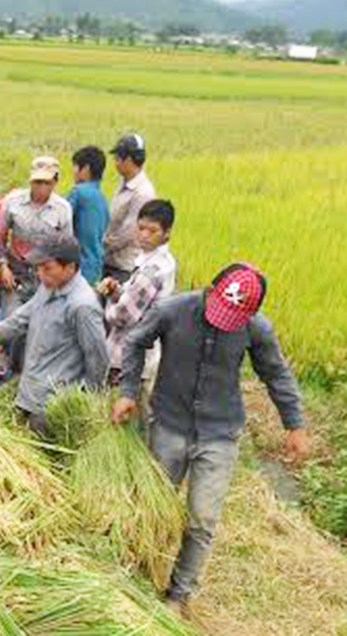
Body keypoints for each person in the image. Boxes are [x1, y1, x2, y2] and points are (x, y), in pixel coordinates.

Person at [112, 263, 311, 614]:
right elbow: (135, 341)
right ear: (210, 290)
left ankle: (178, 595)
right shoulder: (172, 310)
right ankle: (137, 575)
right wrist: (128, 391)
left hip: (219, 433)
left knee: (202, 519)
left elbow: (276, 373)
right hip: (170, 423)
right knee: (154, 506)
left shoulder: (255, 328)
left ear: (250, 313)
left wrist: (294, 424)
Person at [0, 237, 108, 436]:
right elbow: (18, 321)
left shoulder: (82, 306)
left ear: (70, 267)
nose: (40, 274)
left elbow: (98, 358)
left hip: (52, 406)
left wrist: (84, 401)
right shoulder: (48, 287)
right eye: (38, 268)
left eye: (47, 268)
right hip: (29, 393)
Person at [98, 199, 178, 388]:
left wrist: (108, 303)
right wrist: (117, 291)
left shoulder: (151, 272)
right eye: (141, 228)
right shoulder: (164, 261)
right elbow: (135, 298)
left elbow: (122, 316)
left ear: (166, 233)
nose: (144, 235)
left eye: (152, 231)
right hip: (143, 353)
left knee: (120, 402)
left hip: (127, 357)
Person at [0, 156, 74, 322]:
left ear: (55, 182)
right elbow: (0, 235)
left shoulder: (62, 209)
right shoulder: (12, 202)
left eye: (46, 183)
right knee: (11, 321)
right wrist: (2, 265)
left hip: (45, 275)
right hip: (16, 272)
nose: (41, 187)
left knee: (41, 324)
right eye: (37, 182)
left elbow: (66, 247)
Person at [104, 133, 156, 282]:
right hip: (110, 261)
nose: (115, 163)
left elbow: (128, 232)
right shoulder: (124, 182)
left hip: (124, 267)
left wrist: (100, 248)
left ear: (128, 160)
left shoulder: (142, 193)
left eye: (117, 158)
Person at [67, 146, 110, 285]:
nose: (73, 172)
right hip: (96, 267)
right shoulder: (103, 199)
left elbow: (60, 220)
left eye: (75, 167)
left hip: (78, 267)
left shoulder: (78, 192)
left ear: (85, 169)